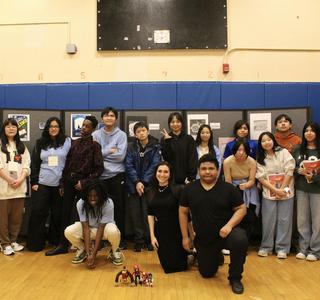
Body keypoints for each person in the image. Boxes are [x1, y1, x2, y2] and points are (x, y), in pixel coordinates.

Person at [179, 154, 248, 294]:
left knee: (240, 239)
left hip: (226, 234)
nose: (207, 172)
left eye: (211, 168)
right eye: (204, 168)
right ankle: (215, 256)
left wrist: (229, 226)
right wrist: (185, 237)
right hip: (204, 239)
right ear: (198, 170)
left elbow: (242, 209)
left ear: (217, 170)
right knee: (207, 273)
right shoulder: (189, 189)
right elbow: (183, 212)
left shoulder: (228, 189)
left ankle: (235, 277)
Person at [45, 115, 104, 256]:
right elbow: (67, 165)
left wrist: (84, 183)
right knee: (64, 213)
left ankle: (85, 246)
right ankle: (62, 245)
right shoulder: (74, 143)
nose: (83, 128)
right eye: (83, 125)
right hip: (69, 182)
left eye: (87, 126)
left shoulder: (95, 146)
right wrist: (62, 183)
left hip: (84, 185)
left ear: (93, 129)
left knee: (83, 216)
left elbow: (99, 169)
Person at [27, 117, 71, 251]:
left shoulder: (67, 141)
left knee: (58, 214)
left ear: (60, 128)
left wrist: (64, 183)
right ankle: (36, 244)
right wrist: (34, 182)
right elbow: (34, 163)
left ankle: (56, 241)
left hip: (59, 185)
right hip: (42, 183)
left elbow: (70, 163)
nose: (53, 128)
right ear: (47, 128)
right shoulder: (40, 142)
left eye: (56, 126)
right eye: (51, 126)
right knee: (38, 212)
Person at [64, 180, 123, 268]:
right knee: (68, 231)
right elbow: (85, 228)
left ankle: (114, 251)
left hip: (104, 230)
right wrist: (89, 254)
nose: (93, 198)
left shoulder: (108, 203)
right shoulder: (80, 203)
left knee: (113, 231)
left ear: (101, 195)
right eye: (90, 196)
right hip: (89, 229)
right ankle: (82, 249)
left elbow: (101, 227)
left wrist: (94, 255)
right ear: (86, 196)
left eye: (96, 196)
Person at [256, 132, 295, 259]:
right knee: (268, 220)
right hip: (269, 193)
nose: (266, 142)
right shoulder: (260, 158)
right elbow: (261, 178)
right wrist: (275, 190)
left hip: (286, 192)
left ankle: (282, 248)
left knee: (284, 220)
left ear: (273, 140)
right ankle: (266, 247)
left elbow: (290, 169)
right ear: (260, 144)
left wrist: (282, 189)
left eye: (269, 140)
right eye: (263, 141)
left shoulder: (283, 152)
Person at [93, 107, 127, 249]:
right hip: (99, 177)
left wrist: (102, 155)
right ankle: (99, 239)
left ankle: (119, 240)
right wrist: (109, 151)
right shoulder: (95, 134)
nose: (109, 118)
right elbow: (94, 156)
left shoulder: (121, 135)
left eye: (112, 116)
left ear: (116, 119)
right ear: (102, 118)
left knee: (118, 208)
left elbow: (120, 156)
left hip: (116, 176)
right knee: (98, 208)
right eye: (106, 115)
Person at [125, 122, 161, 252]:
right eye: (138, 131)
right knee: (135, 214)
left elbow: (155, 165)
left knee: (148, 213)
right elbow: (128, 165)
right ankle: (139, 241)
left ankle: (149, 240)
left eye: (143, 130)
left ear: (148, 131)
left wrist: (144, 182)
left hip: (149, 186)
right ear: (135, 134)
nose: (141, 133)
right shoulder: (131, 146)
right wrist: (136, 182)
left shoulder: (156, 146)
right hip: (133, 186)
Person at [147, 161, 188, 273]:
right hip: (161, 232)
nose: (162, 174)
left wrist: (187, 236)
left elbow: (186, 215)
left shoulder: (178, 189)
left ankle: (191, 256)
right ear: (155, 173)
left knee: (180, 267)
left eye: (166, 172)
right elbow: (150, 214)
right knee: (167, 267)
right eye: (159, 171)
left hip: (176, 231)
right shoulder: (151, 191)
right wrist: (152, 236)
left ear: (170, 174)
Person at [0, 118, 31, 255]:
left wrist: (20, 179)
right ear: (4, 129)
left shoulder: (21, 146)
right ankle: (4, 243)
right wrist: (9, 180)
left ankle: (13, 240)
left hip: (19, 188)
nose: (11, 128)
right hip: (3, 188)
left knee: (16, 218)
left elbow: (26, 165)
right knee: (3, 218)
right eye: (8, 126)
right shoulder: (0, 144)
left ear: (17, 129)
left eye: (14, 126)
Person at [292, 121, 320, 261]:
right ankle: (303, 248)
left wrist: (314, 177)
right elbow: (292, 167)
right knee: (302, 220)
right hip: (302, 189)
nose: (309, 133)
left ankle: (315, 251)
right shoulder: (298, 149)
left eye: (312, 130)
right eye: (306, 130)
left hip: (317, 190)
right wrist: (299, 170)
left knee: (317, 221)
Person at [223, 138, 260, 241]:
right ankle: (233, 241)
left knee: (249, 217)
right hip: (232, 188)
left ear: (248, 151)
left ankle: (246, 241)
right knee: (233, 215)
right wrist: (234, 191)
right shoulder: (227, 161)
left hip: (248, 189)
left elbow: (252, 180)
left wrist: (246, 185)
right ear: (234, 151)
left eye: (244, 150)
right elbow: (227, 180)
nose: (241, 153)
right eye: (238, 150)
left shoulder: (252, 161)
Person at [160, 112, 197, 185]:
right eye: (172, 122)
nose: (175, 124)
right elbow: (166, 158)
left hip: (187, 180)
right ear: (169, 124)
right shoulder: (164, 139)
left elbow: (193, 159)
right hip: (170, 179)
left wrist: (191, 177)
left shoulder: (189, 138)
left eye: (178, 122)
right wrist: (167, 141)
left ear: (182, 123)